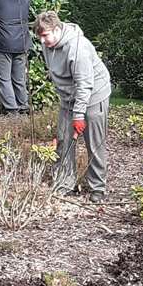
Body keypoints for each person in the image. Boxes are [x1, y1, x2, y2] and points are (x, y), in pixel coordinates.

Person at [35, 11, 111, 203]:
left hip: (94, 95)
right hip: (69, 99)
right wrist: (69, 105)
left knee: (94, 143)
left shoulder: (78, 49)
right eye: (40, 37)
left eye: (45, 36)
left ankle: (97, 188)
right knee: (63, 139)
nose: (43, 41)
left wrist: (79, 116)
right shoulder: (48, 45)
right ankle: (65, 184)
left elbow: (84, 84)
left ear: (57, 29)